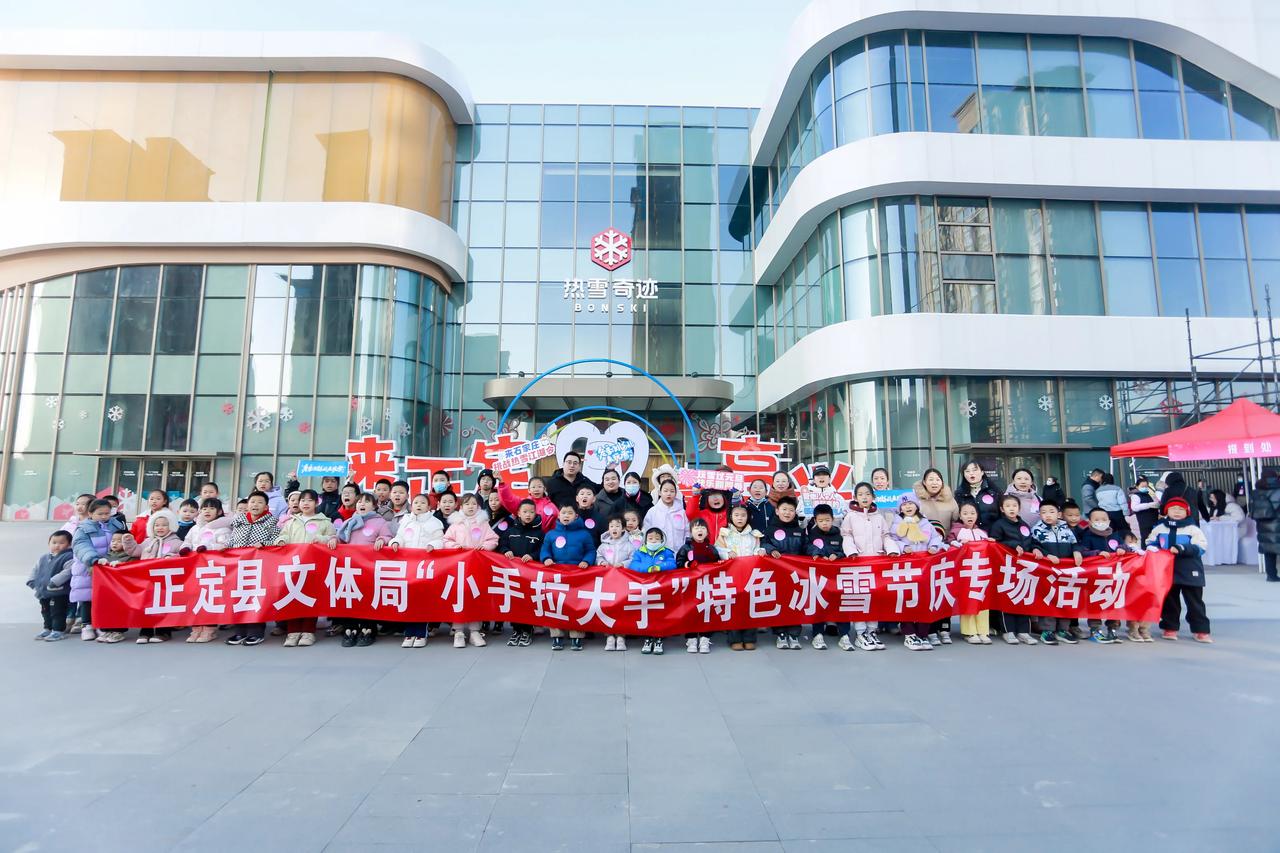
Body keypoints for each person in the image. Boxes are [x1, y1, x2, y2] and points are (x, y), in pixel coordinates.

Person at [273, 489, 338, 647]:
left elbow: (333, 538)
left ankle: (308, 631)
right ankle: (292, 631)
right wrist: (281, 540)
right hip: (293, 566)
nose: (305, 503)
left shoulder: (324, 522)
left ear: (317, 503)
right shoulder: (292, 522)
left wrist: (321, 539)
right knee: (292, 598)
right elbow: (284, 535)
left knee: (310, 598)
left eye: (309, 500)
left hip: (313, 567)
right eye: (302, 500)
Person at [840, 482, 896, 651]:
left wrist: (892, 550)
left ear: (873, 497)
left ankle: (872, 631)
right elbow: (846, 536)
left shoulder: (879, 517)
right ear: (855, 498)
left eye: (867, 494)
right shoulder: (850, 516)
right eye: (861, 494)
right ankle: (860, 632)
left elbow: (886, 536)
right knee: (860, 597)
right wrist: (851, 552)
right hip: (858, 563)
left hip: (876, 562)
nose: (864, 497)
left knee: (875, 598)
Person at [1147, 497, 1212, 643]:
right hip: (1167, 571)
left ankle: (1201, 630)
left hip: (1190, 570)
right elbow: (1150, 541)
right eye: (1173, 509)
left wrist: (1182, 548)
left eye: (1181, 509)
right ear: (1166, 511)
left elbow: (1201, 547)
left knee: (1194, 602)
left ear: (1187, 512)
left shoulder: (1192, 528)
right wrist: (1153, 548)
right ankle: (1170, 627)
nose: (1177, 512)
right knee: (1170, 600)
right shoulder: (1159, 528)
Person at [224, 491, 283, 647]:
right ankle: (240, 631)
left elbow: (278, 541)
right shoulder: (239, 522)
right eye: (252, 502)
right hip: (238, 566)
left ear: (266, 506)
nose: (255, 505)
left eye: (259, 502)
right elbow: (231, 541)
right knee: (239, 597)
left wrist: (264, 545)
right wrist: (224, 547)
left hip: (260, 568)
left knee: (256, 598)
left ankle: (255, 632)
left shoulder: (271, 522)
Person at [441, 493, 499, 648]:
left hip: (477, 567)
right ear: (461, 507)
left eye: (474, 504)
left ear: (478, 506)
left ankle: (475, 631)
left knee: (475, 596)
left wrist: (485, 546)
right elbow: (446, 540)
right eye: (467, 504)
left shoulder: (483, 523)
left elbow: (493, 539)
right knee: (459, 597)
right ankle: (458, 631)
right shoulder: (456, 524)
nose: (470, 507)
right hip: (459, 568)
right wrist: (455, 547)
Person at [888, 493, 944, 650]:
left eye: (911, 504)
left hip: (925, 567)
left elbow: (935, 537)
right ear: (900, 508)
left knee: (924, 599)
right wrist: (903, 547)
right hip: (906, 568)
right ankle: (909, 633)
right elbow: (892, 539)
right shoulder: (896, 523)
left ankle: (923, 634)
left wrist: (934, 547)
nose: (908, 507)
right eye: (904, 505)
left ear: (917, 506)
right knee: (907, 599)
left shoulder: (925, 522)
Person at [390, 493, 446, 646]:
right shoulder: (406, 521)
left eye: (422, 503)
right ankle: (409, 633)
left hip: (425, 568)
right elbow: (400, 537)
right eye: (416, 502)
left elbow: (441, 540)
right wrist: (395, 542)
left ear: (429, 507)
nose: (419, 505)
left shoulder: (434, 522)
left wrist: (433, 545)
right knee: (408, 600)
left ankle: (421, 633)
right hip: (407, 567)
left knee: (422, 601)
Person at [71, 498, 129, 644]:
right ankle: (86, 625)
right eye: (100, 513)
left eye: (107, 513)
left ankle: (100, 624)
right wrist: (94, 560)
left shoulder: (115, 524)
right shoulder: (83, 528)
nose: (104, 516)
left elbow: (124, 541)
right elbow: (81, 545)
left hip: (109, 568)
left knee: (104, 598)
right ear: (90, 513)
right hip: (89, 567)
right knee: (87, 597)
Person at [540, 503, 596, 651]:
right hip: (556, 576)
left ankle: (576, 635)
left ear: (576, 516)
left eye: (569, 513)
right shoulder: (551, 534)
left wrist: (586, 561)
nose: (566, 515)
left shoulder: (584, 534)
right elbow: (545, 550)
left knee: (575, 605)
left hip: (577, 576)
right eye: (563, 513)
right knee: (555, 605)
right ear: (558, 515)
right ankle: (556, 635)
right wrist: (546, 558)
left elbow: (591, 551)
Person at [1027, 499, 1083, 645]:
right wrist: (1046, 554)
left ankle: (1063, 630)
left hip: (1066, 570)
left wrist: (1077, 552)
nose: (1048, 515)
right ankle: (1048, 630)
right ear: (1039, 514)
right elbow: (1034, 545)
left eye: (1051, 512)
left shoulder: (1066, 528)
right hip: (1048, 570)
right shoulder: (1037, 529)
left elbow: (1075, 543)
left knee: (1065, 598)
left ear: (1058, 513)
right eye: (1044, 512)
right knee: (1049, 598)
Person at [495, 499, 545, 648]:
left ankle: (527, 631)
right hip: (512, 575)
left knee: (528, 602)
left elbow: (542, 550)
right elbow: (501, 544)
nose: (528, 515)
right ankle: (516, 630)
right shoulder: (510, 531)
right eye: (525, 512)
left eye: (531, 512)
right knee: (514, 602)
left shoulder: (539, 533)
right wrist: (506, 551)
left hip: (530, 576)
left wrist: (533, 556)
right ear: (518, 513)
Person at [1077, 506, 1130, 644]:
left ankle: (1113, 629)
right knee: (1095, 602)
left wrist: (1121, 548)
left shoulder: (1114, 534)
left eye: (1104, 519)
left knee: (1113, 601)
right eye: (1097, 519)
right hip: (1095, 577)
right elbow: (1082, 551)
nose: (1101, 522)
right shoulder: (1087, 535)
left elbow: (1126, 547)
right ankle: (1095, 629)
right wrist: (1096, 553)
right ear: (1090, 521)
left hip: (1113, 577)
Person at [989, 495, 1037, 645]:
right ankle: (1008, 630)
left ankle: (1024, 631)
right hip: (1006, 568)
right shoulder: (999, 524)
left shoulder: (1024, 525)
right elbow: (995, 543)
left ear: (1019, 508)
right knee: (1008, 597)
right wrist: (1011, 545)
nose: (1011, 508)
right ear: (1002, 509)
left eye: (1014, 506)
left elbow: (1031, 540)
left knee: (1023, 596)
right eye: (1008, 506)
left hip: (1024, 568)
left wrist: (1036, 548)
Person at [182, 497, 231, 643]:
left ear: (219, 511)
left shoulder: (223, 528)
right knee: (195, 597)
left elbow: (225, 545)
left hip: (213, 569)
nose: (207, 511)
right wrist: (184, 548)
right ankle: (196, 628)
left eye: (211, 508)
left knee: (210, 598)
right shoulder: (195, 528)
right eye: (204, 508)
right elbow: (188, 541)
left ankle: (210, 629)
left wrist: (208, 548)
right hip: (195, 569)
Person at [716, 504, 763, 651]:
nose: (740, 518)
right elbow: (717, 548)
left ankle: (749, 637)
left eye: (743, 515)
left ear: (748, 517)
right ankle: (734, 638)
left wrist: (760, 551)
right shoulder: (724, 533)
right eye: (736, 515)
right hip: (732, 574)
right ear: (731, 517)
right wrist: (726, 553)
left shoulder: (754, 534)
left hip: (750, 574)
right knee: (733, 606)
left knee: (750, 606)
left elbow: (757, 549)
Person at [132, 510, 182, 644]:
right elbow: (135, 550)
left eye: (164, 525)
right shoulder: (148, 542)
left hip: (166, 581)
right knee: (147, 604)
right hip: (147, 579)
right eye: (157, 525)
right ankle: (145, 630)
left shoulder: (176, 542)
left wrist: (172, 557)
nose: (160, 527)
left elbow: (182, 556)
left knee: (163, 605)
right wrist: (128, 542)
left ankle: (163, 631)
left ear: (171, 526)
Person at [804, 505, 850, 650]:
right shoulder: (810, 534)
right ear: (815, 520)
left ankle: (844, 635)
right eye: (821, 520)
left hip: (837, 577)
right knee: (819, 603)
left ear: (833, 519)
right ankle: (817, 634)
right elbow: (807, 547)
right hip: (818, 577)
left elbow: (845, 550)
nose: (824, 523)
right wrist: (816, 553)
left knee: (840, 604)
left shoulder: (839, 534)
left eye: (827, 520)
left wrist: (837, 555)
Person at [765, 495, 805, 649]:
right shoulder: (770, 529)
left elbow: (805, 548)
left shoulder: (799, 530)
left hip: (796, 575)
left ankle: (794, 634)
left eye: (791, 510)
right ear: (777, 511)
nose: (787, 513)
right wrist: (771, 549)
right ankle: (780, 633)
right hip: (777, 574)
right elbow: (764, 543)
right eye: (784, 509)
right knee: (779, 602)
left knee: (796, 602)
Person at [628, 527, 677, 654]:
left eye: (657, 538)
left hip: (661, 588)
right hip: (644, 589)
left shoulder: (666, 552)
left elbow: (672, 564)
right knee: (647, 613)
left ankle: (659, 638)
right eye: (650, 538)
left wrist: (659, 567)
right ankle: (648, 638)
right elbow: (634, 566)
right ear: (645, 540)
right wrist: (649, 568)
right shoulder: (639, 552)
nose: (653, 541)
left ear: (662, 540)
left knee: (660, 613)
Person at [949, 503, 992, 645]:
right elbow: (949, 544)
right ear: (960, 516)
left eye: (973, 513)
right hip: (965, 573)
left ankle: (983, 630)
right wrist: (958, 543)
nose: (969, 516)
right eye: (966, 513)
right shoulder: (956, 531)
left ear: (977, 515)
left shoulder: (982, 533)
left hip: (981, 572)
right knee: (967, 600)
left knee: (982, 600)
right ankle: (969, 631)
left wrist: (991, 543)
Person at [677, 518, 719, 653]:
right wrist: (688, 565)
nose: (699, 530)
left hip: (707, 586)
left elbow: (718, 564)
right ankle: (691, 639)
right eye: (696, 528)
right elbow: (678, 563)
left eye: (702, 528)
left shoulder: (711, 548)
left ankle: (705, 638)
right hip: (690, 586)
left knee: (706, 612)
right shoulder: (685, 548)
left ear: (707, 532)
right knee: (691, 612)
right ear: (690, 532)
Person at [596, 515, 636, 652]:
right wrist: (602, 563)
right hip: (607, 582)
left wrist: (623, 564)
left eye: (618, 526)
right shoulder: (603, 544)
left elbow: (633, 559)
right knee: (607, 607)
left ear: (623, 528)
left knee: (621, 606)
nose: (614, 528)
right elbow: (598, 556)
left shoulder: (629, 545)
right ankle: (609, 636)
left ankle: (621, 636)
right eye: (612, 526)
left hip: (623, 581)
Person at [28, 530, 73, 641]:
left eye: (61, 542)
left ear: (69, 544)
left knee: (57, 612)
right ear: (49, 544)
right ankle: (47, 628)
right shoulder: (44, 557)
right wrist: (32, 581)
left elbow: (67, 572)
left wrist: (54, 581)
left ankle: (58, 630)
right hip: (43, 591)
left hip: (58, 591)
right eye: (54, 542)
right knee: (45, 611)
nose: (57, 545)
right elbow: (35, 569)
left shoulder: (69, 557)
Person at [643, 479, 689, 554]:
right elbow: (646, 532)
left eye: (672, 491)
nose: (669, 494)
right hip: (658, 554)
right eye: (665, 491)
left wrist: (685, 550)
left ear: (676, 493)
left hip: (679, 554)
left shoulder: (682, 512)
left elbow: (687, 533)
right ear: (660, 493)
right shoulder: (652, 512)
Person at [1251, 467, 1280, 582]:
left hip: (1263, 525)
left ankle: (1271, 575)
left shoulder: (1256, 492)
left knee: (1269, 551)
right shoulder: (1277, 490)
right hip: (1277, 524)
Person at [954, 461, 1000, 530]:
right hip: (970, 536)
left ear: (982, 472)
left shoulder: (994, 490)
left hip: (994, 535)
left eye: (974, 470)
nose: (971, 473)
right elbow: (957, 518)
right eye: (967, 471)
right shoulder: (959, 493)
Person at [1129, 476, 1161, 545]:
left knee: (1153, 537)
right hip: (1144, 521)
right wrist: (1149, 505)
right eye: (1142, 486)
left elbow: (1157, 504)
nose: (1145, 488)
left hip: (1153, 519)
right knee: (1145, 537)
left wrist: (1156, 505)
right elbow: (1134, 508)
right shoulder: (1135, 496)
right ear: (1137, 486)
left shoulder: (1149, 494)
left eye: (1146, 486)